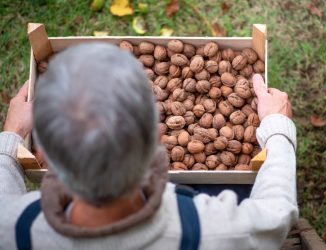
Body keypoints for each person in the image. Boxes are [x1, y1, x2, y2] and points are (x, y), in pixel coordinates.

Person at [0, 43, 298, 250]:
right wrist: (276, 130)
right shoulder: (212, 229)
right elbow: (278, 213)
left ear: (43, 158)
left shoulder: (12, 229)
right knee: (231, 185)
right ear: (159, 138)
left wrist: (12, 135)